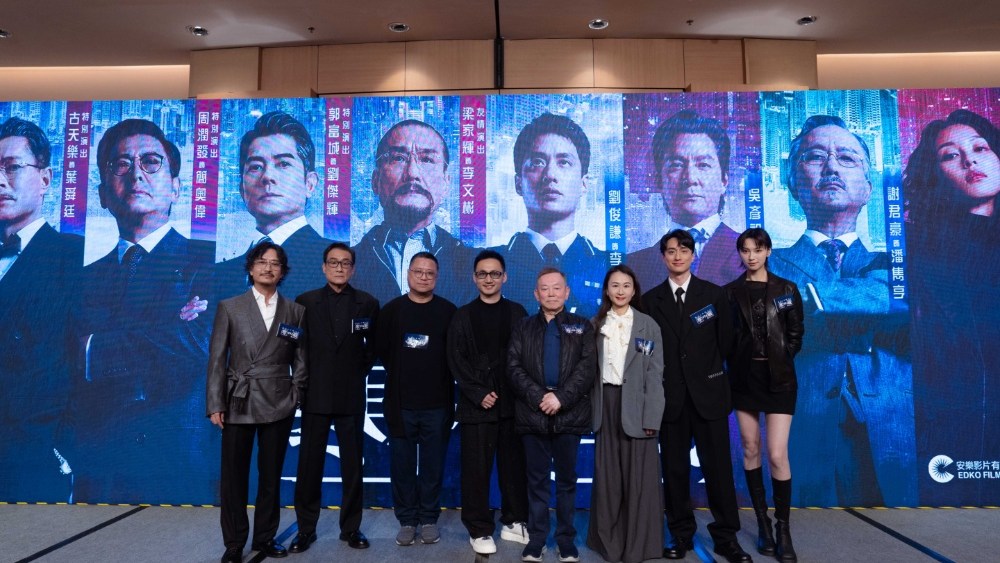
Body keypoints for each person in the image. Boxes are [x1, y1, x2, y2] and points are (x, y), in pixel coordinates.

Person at [768, 115, 916, 507]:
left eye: (847, 158)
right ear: (793, 184)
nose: (832, 167)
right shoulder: (764, 263)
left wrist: (805, 305)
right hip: (801, 429)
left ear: (868, 188)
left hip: (891, 430)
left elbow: (901, 305)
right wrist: (871, 311)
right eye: (816, 157)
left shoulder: (899, 263)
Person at [73, 118, 216, 503]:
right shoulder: (82, 277)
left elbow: (198, 343)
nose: (136, 173)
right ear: (103, 194)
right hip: (97, 468)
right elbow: (62, 356)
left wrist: (93, 349)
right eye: (121, 164)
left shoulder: (210, 263)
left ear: (176, 188)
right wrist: (169, 326)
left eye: (151, 162)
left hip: (179, 462)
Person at [903, 108, 1000, 504]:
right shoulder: (915, 248)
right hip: (947, 424)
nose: (970, 161)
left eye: (980, 148)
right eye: (950, 155)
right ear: (935, 174)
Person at [641, 229, 750, 563]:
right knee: (674, 472)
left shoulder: (714, 295)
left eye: (684, 250)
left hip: (709, 396)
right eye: (671, 251)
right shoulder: (650, 300)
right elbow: (646, 351)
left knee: (719, 471)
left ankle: (726, 537)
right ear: (663, 256)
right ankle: (680, 534)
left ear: (693, 254)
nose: (677, 256)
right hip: (670, 399)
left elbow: (727, 344)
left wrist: (713, 378)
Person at [207, 241, 306, 563]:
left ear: (283, 272)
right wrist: (215, 403)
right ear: (250, 268)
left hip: (279, 401)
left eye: (275, 263)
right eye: (262, 262)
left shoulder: (295, 311)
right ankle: (235, 543)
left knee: (271, 475)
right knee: (233, 477)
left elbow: (301, 359)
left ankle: (264, 538)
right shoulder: (230, 307)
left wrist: (296, 393)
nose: (268, 268)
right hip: (239, 399)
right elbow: (217, 358)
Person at [0, 116, 83, 502]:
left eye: (12, 167)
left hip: (33, 459)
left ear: (46, 179)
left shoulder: (76, 257)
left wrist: (62, 449)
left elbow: (86, 365)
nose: (0, 180)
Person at [288, 242, 379, 553]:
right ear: (324, 267)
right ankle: (305, 529)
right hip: (315, 395)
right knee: (309, 466)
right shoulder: (305, 302)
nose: (339, 268)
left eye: (345, 263)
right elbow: (296, 347)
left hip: (351, 397)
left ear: (352, 269)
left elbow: (372, 349)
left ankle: (351, 528)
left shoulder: (368, 303)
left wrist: (354, 374)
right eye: (334, 262)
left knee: (353, 466)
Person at [725, 228, 804, 562]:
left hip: (780, 380)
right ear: (740, 254)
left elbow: (796, 333)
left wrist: (780, 358)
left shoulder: (787, 289)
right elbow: (726, 337)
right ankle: (763, 525)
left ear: (768, 251)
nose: (751, 256)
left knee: (776, 454)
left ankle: (783, 527)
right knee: (750, 448)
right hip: (744, 380)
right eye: (745, 250)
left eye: (757, 250)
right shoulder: (730, 292)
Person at [507, 267, 597, 563]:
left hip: (569, 414)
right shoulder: (523, 326)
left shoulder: (582, 326)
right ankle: (537, 540)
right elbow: (513, 367)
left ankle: (566, 540)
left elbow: (587, 368)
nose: (551, 293)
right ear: (536, 294)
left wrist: (560, 398)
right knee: (536, 481)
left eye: (557, 288)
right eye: (544, 288)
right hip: (532, 414)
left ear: (567, 292)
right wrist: (539, 397)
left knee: (567, 481)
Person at [447, 249, 530, 555]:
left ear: (504, 277)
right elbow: (455, 359)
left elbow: (526, 357)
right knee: (476, 471)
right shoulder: (462, 315)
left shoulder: (518, 312)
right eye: (482, 274)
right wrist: (477, 392)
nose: (489, 279)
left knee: (513, 468)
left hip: (513, 405)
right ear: (474, 278)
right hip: (476, 407)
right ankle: (479, 528)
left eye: (495, 273)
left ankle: (513, 521)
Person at [376, 251, 457, 547]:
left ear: (437, 277)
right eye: (418, 271)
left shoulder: (449, 311)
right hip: (400, 404)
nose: (424, 277)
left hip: (438, 405)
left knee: (434, 466)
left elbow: (455, 355)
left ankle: (429, 519)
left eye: (429, 273)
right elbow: (383, 351)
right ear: (408, 274)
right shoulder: (391, 311)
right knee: (402, 466)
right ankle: (407, 520)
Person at [491, 113, 608, 318]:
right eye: (537, 162)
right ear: (518, 183)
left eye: (564, 162)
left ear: (584, 183)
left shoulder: (607, 265)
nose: (550, 175)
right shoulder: (492, 264)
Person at [585, 265, 665, 563]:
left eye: (626, 285)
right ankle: (609, 544)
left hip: (639, 407)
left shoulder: (648, 325)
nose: (620, 291)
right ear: (607, 290)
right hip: (605, 405)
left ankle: (638, 547)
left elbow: (655, 375)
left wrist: (651, 417)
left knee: (640, 481)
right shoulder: (595, 325)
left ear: (634, 290)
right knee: (608, 480)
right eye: (615, 285)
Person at [353, 119, 476, 306]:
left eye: (427, 160)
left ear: (446, 183)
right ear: (375, 180)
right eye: (398, 158)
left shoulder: (469, 264)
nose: (412, 173)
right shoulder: (351, 262)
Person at [219, 110, 331, 302]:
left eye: (283, 164)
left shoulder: (334, 262)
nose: (268, 177)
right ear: (241, 190)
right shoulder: (220, 275)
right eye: (255, 167)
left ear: (310, 184)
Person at [627, 110, 743, 290]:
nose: (690, 178)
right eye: (677, 165)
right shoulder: (635, 267)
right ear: (659, 181)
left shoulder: (752, 258)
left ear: (724, 181)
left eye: (703, 165)